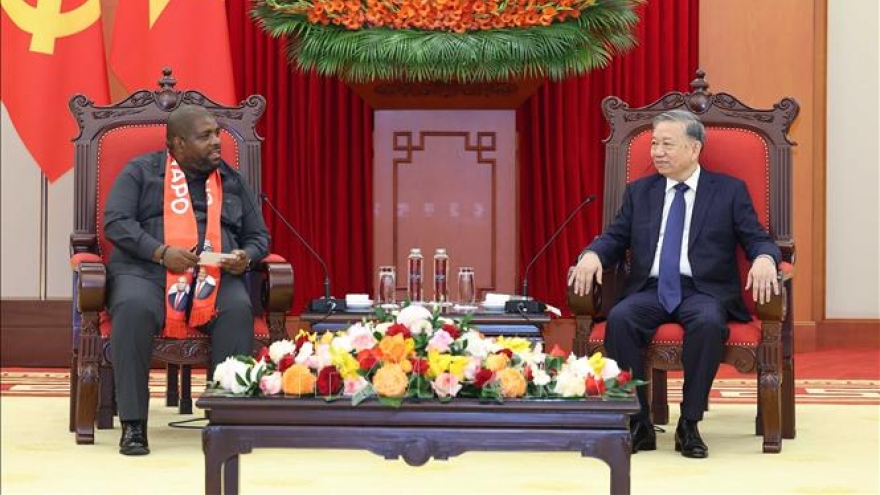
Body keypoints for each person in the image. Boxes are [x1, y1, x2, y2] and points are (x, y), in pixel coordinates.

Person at [568, 109, 779, 459]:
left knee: (708, 322)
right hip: (650, 289)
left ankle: (689, 424)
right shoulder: (640, 192)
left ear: (694, 149)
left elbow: (757, 238)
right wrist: (591, 255)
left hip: (703, 290)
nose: (657, 152)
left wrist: (765, 259)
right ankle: (639, 423)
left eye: (667, 144)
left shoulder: (728, 191)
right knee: (620, 319)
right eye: (654, 144)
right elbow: (615, 237)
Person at [103, 104, 269, 456]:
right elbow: (116, 222)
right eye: (205, 136)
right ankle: (134, 425)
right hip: (147, 271)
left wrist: (246, 256)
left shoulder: (231, 180)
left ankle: (227, 421)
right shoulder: (140, 172)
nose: (217, 142)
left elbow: (258, 237)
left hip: (213, 275)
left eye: (217, 134)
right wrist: (160, 252)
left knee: (236, 309)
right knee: (132, 308)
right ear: (178, 143)